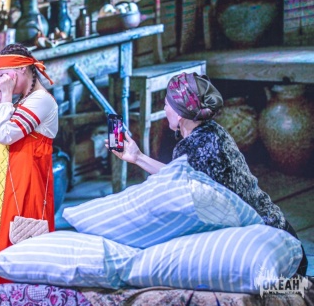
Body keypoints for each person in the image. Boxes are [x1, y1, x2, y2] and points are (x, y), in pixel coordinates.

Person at [108, 72, 308, 276]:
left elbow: (178, 184)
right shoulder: (212, 132)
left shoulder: (194, 146)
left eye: (166, 104)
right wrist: (138, 157)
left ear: (179, 113)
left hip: (271, 249)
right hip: (286, 238)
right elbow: (178, 174)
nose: (165, 109)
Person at [0, 44, 59, 305]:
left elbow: (5, 135)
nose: (2, 81)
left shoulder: (41, 101)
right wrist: (3, 100)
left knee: (20, 249)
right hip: (9, 187)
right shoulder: (21, 101)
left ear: (22, 69)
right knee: (0, 246)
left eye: (6, 75)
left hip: (29, 187)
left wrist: (6, 100)